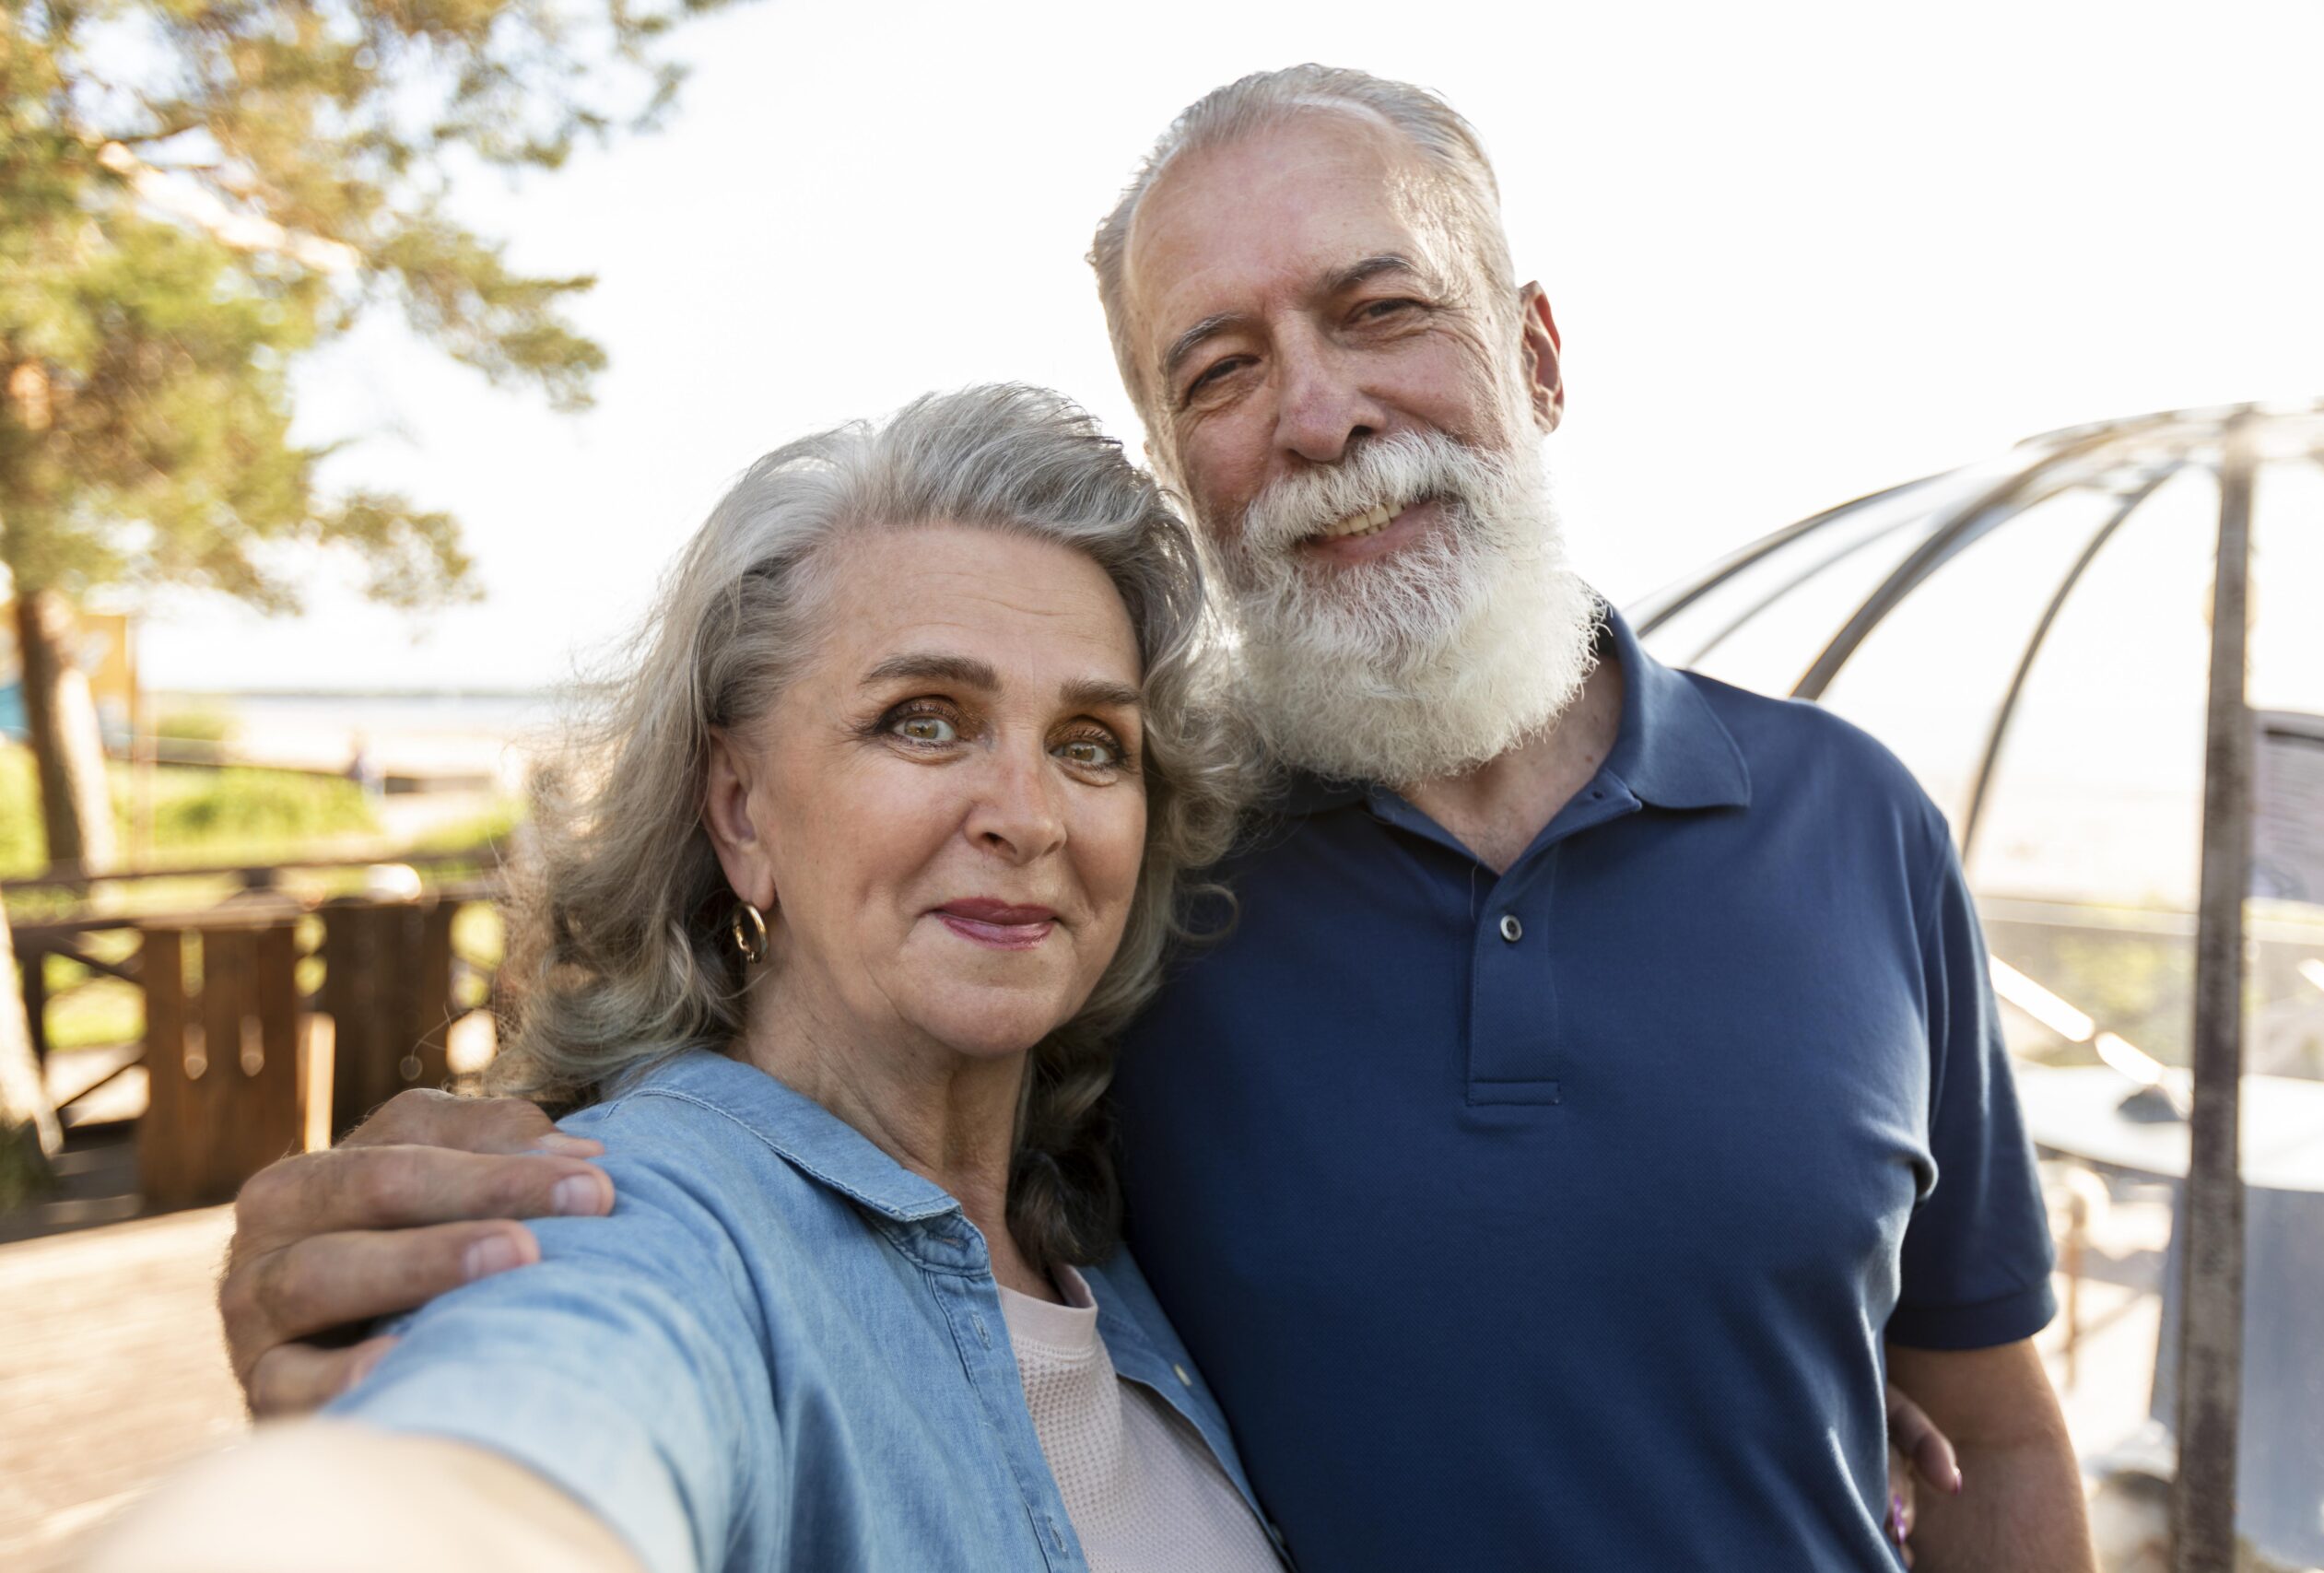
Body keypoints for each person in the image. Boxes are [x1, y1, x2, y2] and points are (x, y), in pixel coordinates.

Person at [214, 67, 2095, 1571]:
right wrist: (399, 1255)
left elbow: (1990, 1425)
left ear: (1533, 351)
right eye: (1219, 367)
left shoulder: (1852, 822)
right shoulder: (1146, 890)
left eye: (1380, 311)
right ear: (1173, 459)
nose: (1320, 411)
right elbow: (748, 1183)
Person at [95, 386, 1287, 1572]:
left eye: (1090, 745)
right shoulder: (640, 1229)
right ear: (738, 809)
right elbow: (499, 1457)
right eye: (925, 720)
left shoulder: (1106, 1237)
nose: (1028, 818)